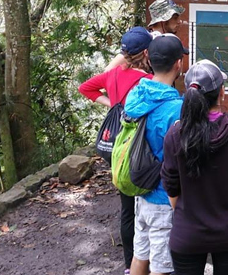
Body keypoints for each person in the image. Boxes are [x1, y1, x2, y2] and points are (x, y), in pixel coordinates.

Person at [161, 60, 228, 275]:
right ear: (221, 92)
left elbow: (171, 187)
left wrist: (189, 212)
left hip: (187, 233)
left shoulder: (176, 134)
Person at [78, 26, 153, 275]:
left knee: (126, 208)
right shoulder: (148, 82)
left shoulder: (111, 76)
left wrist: (112, 104)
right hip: (140, 147)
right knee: (147, 204)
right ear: (146, 52)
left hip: (115, 149)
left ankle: (129, 265)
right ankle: (149, 261)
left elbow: (85, 88)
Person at [123, 34, 188, 275]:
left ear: (149, 60)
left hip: (141, 190)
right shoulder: (175, 109)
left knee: (140, 255)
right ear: (178, 64)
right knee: (161, 266)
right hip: (163, 197)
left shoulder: (137, 94)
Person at [106, 0, 185, 71]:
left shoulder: (167, 42)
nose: (179, 21)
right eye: (175, 18)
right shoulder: (143, 42)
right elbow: (108, 70)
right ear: (163, 20)